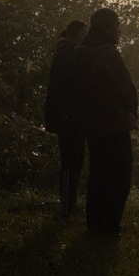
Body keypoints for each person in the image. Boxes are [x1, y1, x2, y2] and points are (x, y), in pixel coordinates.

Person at [73, 7, 138, 236]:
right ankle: (110, 224)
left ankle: (95, 222)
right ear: (109, 28)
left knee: (99, 173)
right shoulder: (107, 53)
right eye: (117, 26)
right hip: (113, 122)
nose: (119, 31)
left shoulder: (80, 51)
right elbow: (125, 87)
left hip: (91, 123)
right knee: (120, 174)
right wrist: (132, 112)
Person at [44, 19, 88, 217]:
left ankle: (69, 204)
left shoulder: (67, 52)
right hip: (67, 116)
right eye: (81, 35)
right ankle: (66, 205)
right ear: (73, 35)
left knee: (74, 160)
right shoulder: (66, 54)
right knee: (70, 161)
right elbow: (65, 86)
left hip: (70, 115)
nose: (83, 39)